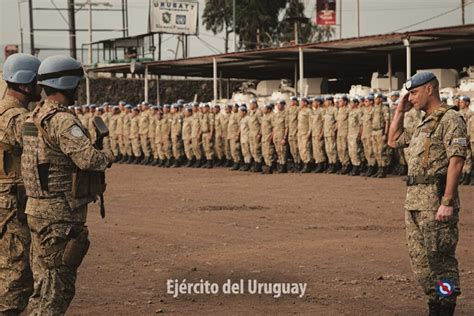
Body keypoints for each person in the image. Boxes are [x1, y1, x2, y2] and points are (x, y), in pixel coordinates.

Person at [22, 55, 114, 315]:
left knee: (42, 285)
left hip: (37, 209)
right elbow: (88, 159)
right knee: (56, 291)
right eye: (76, 84)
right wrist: (107, 156)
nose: (77, 90)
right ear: (67, 84)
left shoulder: (34, 116)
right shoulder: (61, 120)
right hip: (58, 215)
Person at [388, 72, 467, 316]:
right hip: (414, 202)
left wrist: (447, 201)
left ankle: (445, 306)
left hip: (435, 203)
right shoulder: (423, 122)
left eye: (413, 93)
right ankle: (435, 302)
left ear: (430, 90)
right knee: (421, 262)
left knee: (441, 261)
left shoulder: (451, 118)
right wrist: (400, 111)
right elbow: (393, 140)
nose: (410, 98)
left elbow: (456, 161)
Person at [0, 53, 41, 316]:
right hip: (12, 204)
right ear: (26, 85)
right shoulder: (16, 118)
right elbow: (41, 148)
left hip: (6, 200)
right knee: (16, 274)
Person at [272, 100, 289, 173]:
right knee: (278, 151)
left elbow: (286, 127)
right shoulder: (276, 115)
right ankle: (280, 165)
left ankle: (283, 166)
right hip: (276, 135)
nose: (278, 106)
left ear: (283, 105)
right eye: (277, 105)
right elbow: (274, 127)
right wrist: (273, 136)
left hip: (281, 135)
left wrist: (284, 137)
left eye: (279, 105)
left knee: (283, 151)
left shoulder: (285, 114)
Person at [297, 97, 312, 173]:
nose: (300, 103)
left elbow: (311, 122)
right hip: (300, 133)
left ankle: (307, 164)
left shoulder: (308, 111)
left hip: (305, 133)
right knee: (301, 149)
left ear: (305, 103)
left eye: (301, 102)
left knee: (305, 148)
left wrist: (309, 132)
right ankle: (304, 163)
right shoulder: (300, 111)